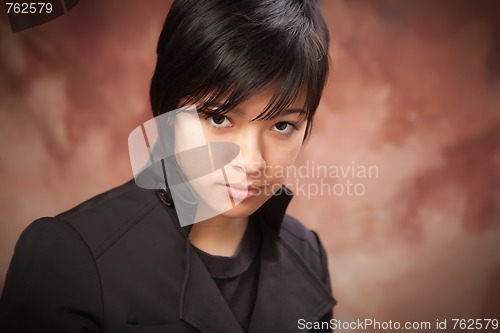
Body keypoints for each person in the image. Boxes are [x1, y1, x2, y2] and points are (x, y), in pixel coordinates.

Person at [0, 0, 336, 332]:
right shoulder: (68, 257)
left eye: (282, 126)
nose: (251, 162)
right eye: (219, 118)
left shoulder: (307, 254)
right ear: (169, 112)